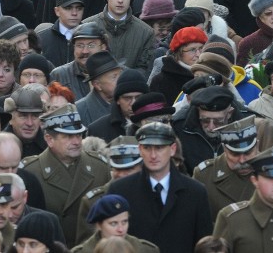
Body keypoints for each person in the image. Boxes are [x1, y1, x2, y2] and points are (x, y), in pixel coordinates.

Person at [107, 122, 212, 252]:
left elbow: (204, 245)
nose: (153, 155)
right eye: (147, 148)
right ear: (140, 150)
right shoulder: (120, 190)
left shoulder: (196, 192)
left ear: (172, 149)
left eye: (159, 148)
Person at [22, 104, 110, 246]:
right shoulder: (31, 171)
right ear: (49, 139)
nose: (76, 142)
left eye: (79, 135)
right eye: (68, 136)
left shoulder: (99, 166)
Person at [73, 194, 158, 253]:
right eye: (113, 224)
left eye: (124, 222)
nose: (121, 229)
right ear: (99, 225)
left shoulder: (146, 250)